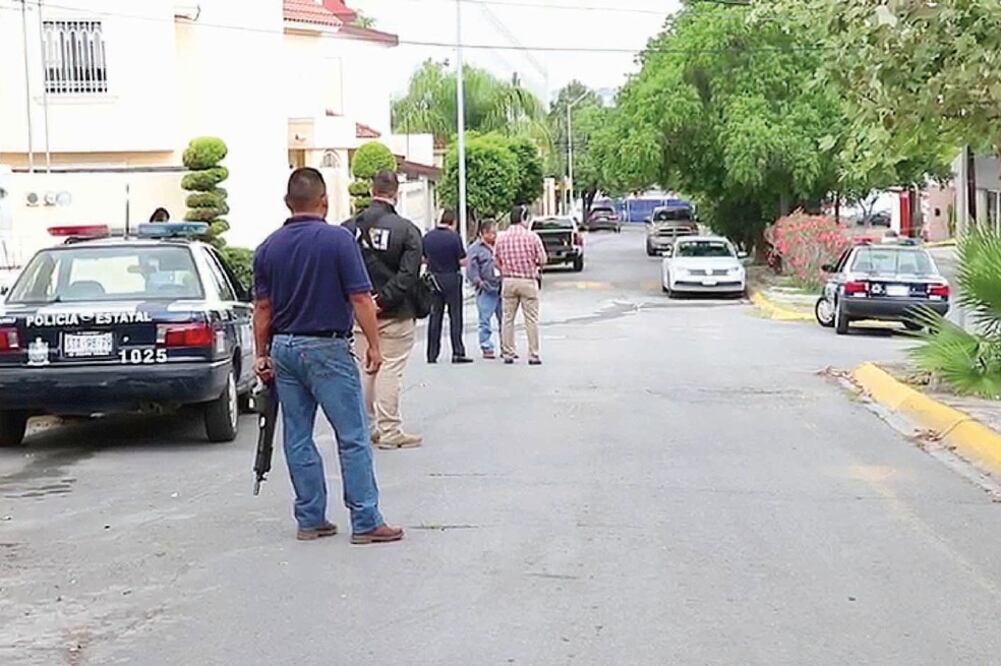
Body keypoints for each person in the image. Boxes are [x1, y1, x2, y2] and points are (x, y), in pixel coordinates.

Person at [252, 167, 402, 544]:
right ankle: (366, 520)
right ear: (325, 201)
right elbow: (360, 298)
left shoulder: (268, 247)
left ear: (288, 203)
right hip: (327, 348)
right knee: (351, 435)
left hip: (285, 348)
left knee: (298, 436)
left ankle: (310, 518)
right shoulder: (338, 241)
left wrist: (260, 354)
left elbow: (263, 309)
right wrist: (374, 345)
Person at [342, 171, 424, 450]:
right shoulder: (407, 230)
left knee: (368, 368)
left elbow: (338, 271)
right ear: (396, 193)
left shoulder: (347, 229)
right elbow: (409, 274)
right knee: (390, 368)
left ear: (370, 190)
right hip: (397, 312)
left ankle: (368, 427)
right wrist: (384, 299)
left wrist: (365, 303)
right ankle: (390, 430)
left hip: (358, 312)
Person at [494, 204, 547, 366]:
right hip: (528, 281)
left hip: (508, 281)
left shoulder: (501, 237)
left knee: (507, 318)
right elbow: (543, 259)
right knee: (531, 319)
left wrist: (505, 268)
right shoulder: (532, 237)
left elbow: (495, 259)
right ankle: (533, 354)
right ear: (524, 218)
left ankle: (508, 352)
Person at [423, 209, 473, 365]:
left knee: (435, 316)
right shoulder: (454, 237)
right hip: (452, 278)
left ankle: (432, 354)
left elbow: (422, 259)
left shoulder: (428, 237)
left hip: (434, 280)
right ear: (453, 222)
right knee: (455, 316)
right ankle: (457, 352)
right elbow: (463, 261)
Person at [466, 219, 503, 359]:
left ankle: (506, 346)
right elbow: (471, 269)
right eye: (492, 233)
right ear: (484, 233)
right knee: (485, 319)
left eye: (496, 233)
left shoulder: (499, 245)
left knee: (504, 319)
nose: (495, 236)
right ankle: (486, 346)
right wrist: (479, 282)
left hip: (501, 286)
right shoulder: (475, 249)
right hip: (486, 289)